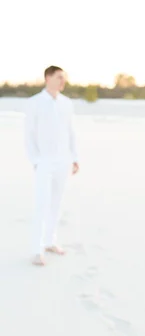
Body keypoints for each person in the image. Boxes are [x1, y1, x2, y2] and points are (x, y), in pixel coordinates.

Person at [25, 66, 79, 266]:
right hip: (44, 161)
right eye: (59, 77)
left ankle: (50, 241)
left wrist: (75, 157)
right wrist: (36, 160)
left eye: (63, 78)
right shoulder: (34, 103)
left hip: (63, 161)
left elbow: (71, 132)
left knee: (57, 203)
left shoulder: (66, 103)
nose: (62, 82)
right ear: (48, 78)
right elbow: (28, 135)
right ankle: (36, 249)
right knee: (42, 205)